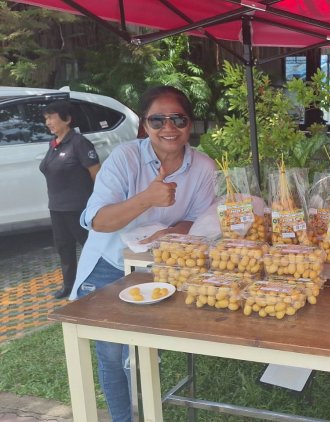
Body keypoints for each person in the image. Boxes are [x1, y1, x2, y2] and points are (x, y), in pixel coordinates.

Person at [70, 86, 216, 421]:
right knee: (110, 353)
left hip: (158, 268)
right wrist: (147, 198)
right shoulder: (126, 158)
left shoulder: (203, 168)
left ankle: (151, 404)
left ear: (189, 123)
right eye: (158, 120)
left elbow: (196, 219)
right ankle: (124, 418)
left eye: (178, 118)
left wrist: (170, 232)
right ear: (145, 125)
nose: (169, 127)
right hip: (108, 265)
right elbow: (97, 220)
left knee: (148, 345)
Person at [39, 100, 101, 299]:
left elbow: (96, 175)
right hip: (57, 207)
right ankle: (69, 286)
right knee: (64, 248)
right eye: (46, 118)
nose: (48, 122)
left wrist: (98, 202)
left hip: (78, 208)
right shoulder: (54, 143)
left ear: (67, 119)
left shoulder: (79, 143)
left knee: (90, 247)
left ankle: (97, 283)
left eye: (52, 117)